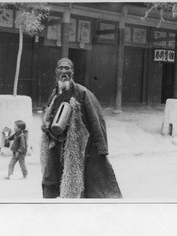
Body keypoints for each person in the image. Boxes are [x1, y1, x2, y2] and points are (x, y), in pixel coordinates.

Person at [40, 58, 122, 198]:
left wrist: (102, 147)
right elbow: (49, 116)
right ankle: (50, 211)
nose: (64, 72)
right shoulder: (54, 94)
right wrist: (46, 126)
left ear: (72, 72)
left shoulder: (82, 93)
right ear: (56, 72)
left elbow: (97, 120)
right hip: (55, 144)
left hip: (76, 146)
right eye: (61, 68)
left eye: (67, 69)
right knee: (49, 180)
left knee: (77, 183)